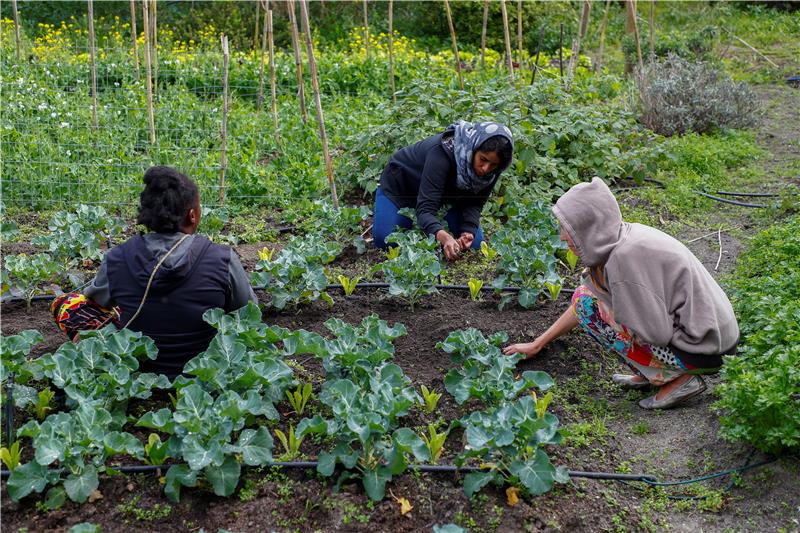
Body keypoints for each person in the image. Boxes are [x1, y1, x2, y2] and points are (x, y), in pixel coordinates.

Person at [503, 177, 739, 409]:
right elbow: (585, 300)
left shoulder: (623, 260)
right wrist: (537, 343)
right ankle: (654, 373)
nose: (563, 236)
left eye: (568, 229)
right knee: (586, 302)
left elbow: (656, 333)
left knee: (599, 313)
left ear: (589, 227)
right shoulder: (620, 239)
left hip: (705, 349)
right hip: (714, 339)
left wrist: (620, 315)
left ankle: (677, 380)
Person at [52, 166, 257, 378]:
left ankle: (92, 356)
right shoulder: (222, 258)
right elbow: (249, 311)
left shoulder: (117, 257)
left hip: (136, 368)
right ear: (193, 215)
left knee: (67, 304)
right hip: (206, 366)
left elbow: (96, 302)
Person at [372, 120, 514, 260]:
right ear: (474, 148)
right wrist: (445, 237)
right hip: (401, 188)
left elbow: (475, 202)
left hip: (442, 195)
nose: (485, 168)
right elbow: (426, 209)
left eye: (493, 164)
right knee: (388, 241)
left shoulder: (492, 171)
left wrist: (468, 230)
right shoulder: (441, 154)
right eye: (483, 159)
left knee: (475, 244)